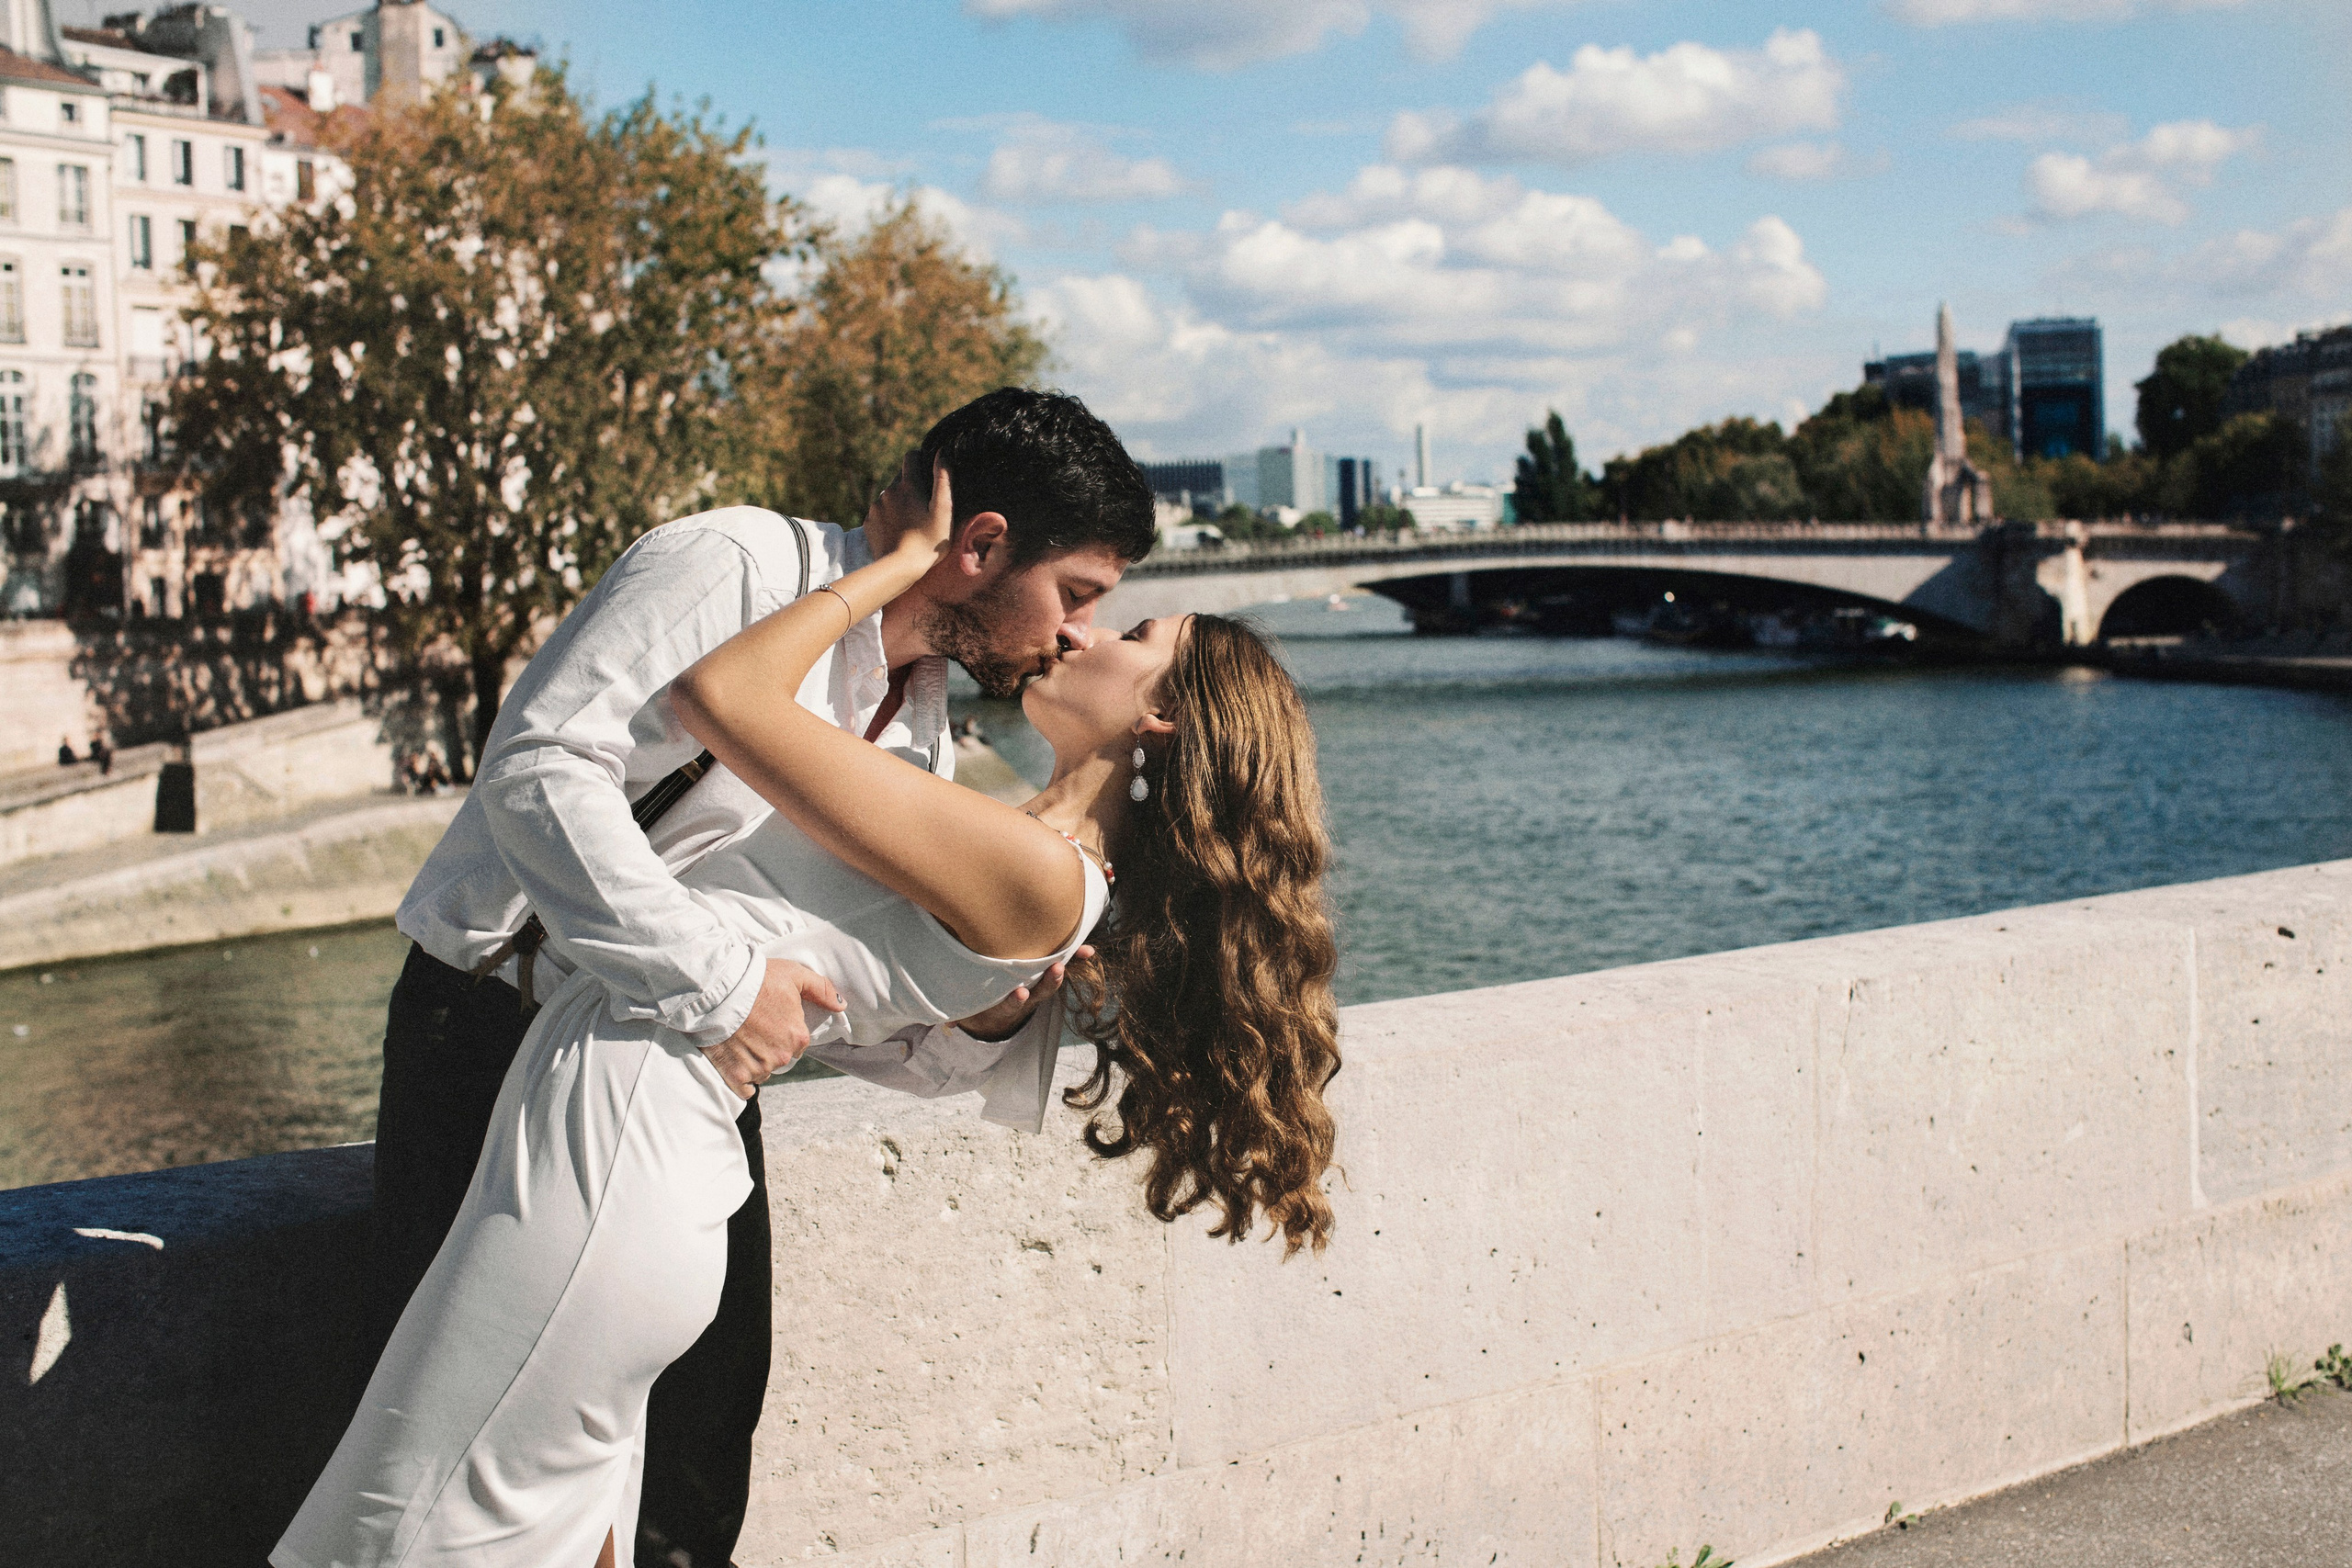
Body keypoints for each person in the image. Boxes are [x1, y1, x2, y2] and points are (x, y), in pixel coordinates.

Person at [276, 457, 1341, 1568]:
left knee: (420, 1527)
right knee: (537, 1531)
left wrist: (893, 567)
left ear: (1160, 717)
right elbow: (836, 983)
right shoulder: (1013, 838)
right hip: (620, 1122)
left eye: (1126, 630)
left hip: (624, 1127)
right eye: (1082, 597)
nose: (1084, 633)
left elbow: (724, 698)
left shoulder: (1037, 870)